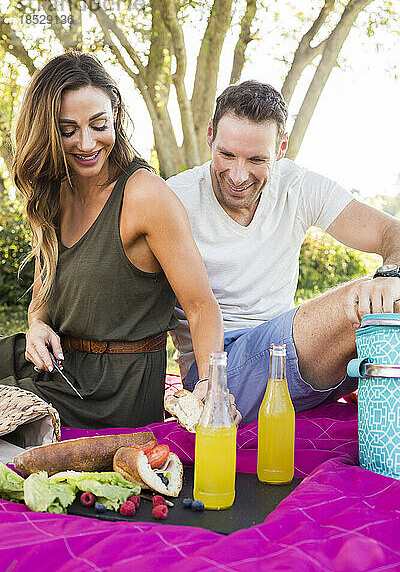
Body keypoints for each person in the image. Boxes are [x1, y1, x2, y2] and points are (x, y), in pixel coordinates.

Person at [0, 51, 229, 430]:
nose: (86, 143)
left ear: (116, 115)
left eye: (98, 124)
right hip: (59, 365)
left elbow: (202, 305)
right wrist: (38, 325)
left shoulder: (145, 196)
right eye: (68, 130)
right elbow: (44, 290)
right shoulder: (57, 190)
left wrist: (209, 385)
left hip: (112, 391)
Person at [167, 80, 400, 423]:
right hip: (218, 371)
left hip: (290, 360)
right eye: (227, 154)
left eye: (256, 159)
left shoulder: (297, 186)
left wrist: (390, 275)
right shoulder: (174, 198)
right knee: (359, 299)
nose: (237, 175)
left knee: (387, 298)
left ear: (281, 148)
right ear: (210, 135)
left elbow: (389, 231)